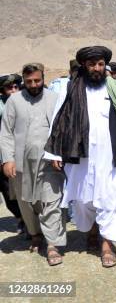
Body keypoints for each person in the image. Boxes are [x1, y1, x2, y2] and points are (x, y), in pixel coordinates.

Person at [44, 46, 116, 268]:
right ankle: (92, 230)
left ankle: (107, 244)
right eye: (92, 64)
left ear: (105, 65)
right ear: (84, 65)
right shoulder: (70, 87)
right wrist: (54, 151)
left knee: (111, 198)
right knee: (83, 199)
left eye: (100, 64)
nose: (96, 68)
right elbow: (59, 118)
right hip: (79, 155)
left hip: (110, 155)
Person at [0, 63, 65, 265]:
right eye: (29, 81)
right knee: (26, 203)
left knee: (51, 201)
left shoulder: (55, 99)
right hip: (21, 163)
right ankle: (35, 234)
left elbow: (62, 130)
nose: (34, 84)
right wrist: (7, 159)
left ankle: (53, 244)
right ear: (23, 81)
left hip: (49, 162)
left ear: (43, 78)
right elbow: (6, 133)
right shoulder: (14, 101)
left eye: (37, 80)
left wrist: (59, 155)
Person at [0, 74, 25, 234]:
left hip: (23, 152)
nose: (14, 90)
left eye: (16, 87)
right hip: (3, 155)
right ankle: (21, 219)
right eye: (10, 87)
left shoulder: (25, 102)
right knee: (7, 190)